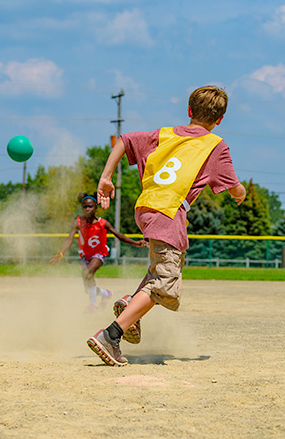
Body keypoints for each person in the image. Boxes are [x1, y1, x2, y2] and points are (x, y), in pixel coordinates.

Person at [86, 85, 246, 366]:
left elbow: (124, 140)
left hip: (147, 207)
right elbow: (234, 188)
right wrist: (240, 194)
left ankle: (131, 303)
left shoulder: (165, 134)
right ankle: (110, 335)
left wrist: (106, 177)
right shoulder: (215, 146)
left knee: (159, 274)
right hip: (169, 214)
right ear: (220, 119)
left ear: (188, 111)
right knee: (166, 286)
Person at [50, 192, 146, 312]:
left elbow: (119, 235)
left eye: (90, 206)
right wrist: (61, 253)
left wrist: (135, 243)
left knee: (88, 272)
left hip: (99, 254)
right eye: (85, 206)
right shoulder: (78, 222)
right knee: (88, 287)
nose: (87, 209)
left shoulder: (103, 223)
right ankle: (105, 293)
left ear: (96, 207)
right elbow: (70, 239)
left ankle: (93, 305)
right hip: (85, 256)